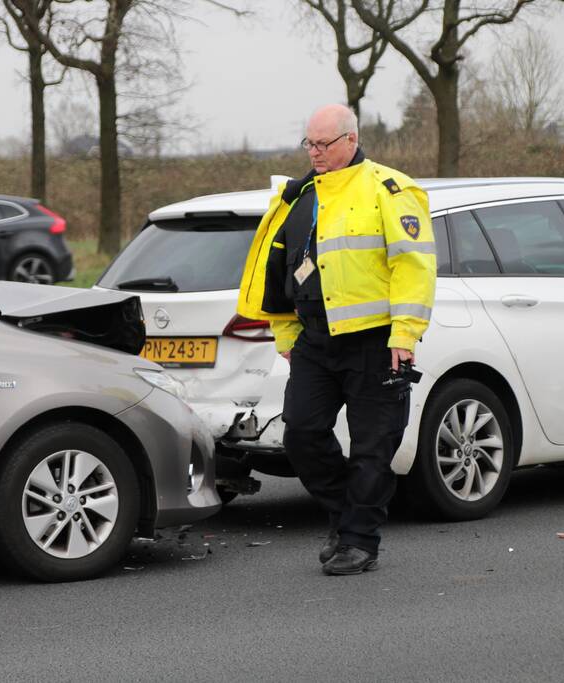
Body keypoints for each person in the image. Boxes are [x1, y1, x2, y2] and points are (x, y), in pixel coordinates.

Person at [237, 104, 436, 575]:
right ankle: (348, 512)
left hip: (376, 343)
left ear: (351, 139)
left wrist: (404, 335)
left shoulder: (389, 189)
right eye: (309, 143)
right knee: (301, 434)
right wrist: (285, 332)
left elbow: (413, 267)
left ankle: (359, 540)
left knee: (373, 449)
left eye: (323, 144)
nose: (315, 153)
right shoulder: (299, 195)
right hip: (315, 343)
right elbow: (281, 270)